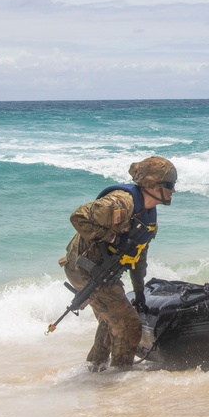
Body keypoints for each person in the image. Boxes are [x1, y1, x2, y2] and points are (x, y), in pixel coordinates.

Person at [60, 156, 177, 370]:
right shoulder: (121, 202)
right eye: (169, 186)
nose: (173, 191)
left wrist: (139, 291)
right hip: (84, 268)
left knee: (110, 321)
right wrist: (113, 239)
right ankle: (119, 377)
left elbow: (139, 256)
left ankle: (95, 369)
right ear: (152, 185)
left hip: (100, 272)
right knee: (128, 325)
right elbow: (78, 217)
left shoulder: (148, 217)